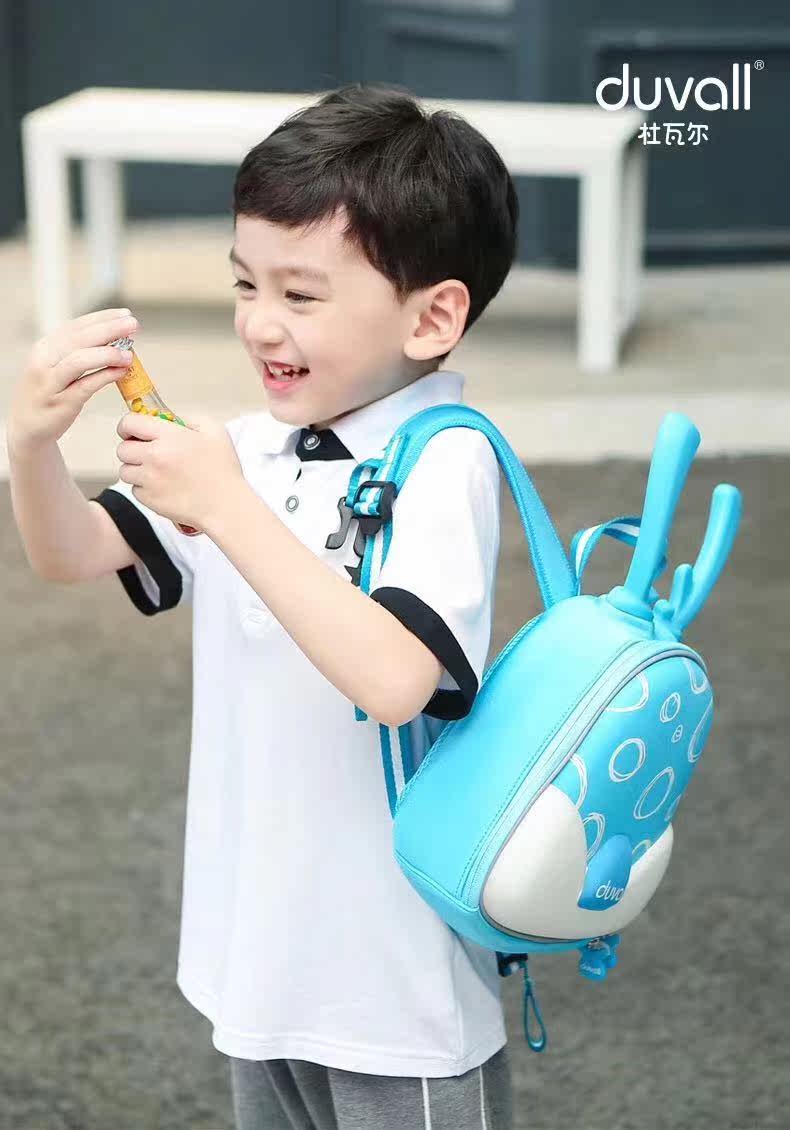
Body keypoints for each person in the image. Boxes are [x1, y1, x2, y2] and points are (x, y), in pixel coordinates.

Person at [7, 82, 519, 1130]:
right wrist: (29, 444)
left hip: (392, 979)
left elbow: (396, 678)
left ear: (433, 315)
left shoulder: (443, 458)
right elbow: (73, 552)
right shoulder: (249, 448)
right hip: (263, 956)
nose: (259, 323)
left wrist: (228, 508)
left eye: (302, 293)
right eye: (245, 282)